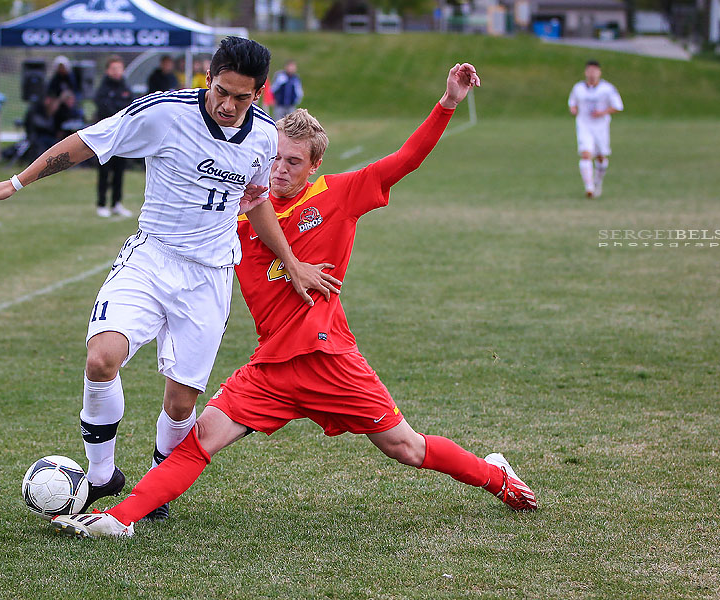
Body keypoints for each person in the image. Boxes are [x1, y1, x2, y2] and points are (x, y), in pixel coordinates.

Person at [50, 62, 539, 540]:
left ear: (315, 165)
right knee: (200, 440)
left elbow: (406, 159)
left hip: (330, 359)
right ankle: (120, 519)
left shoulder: (340, 195)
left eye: (294, 162)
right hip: (272, 368)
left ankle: (495, 475)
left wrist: (448, 103)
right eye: (275, 158)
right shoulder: (236, 214)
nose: (280, 170)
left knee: (406, 448)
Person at [0, 37, 337, 516]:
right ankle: (102, 476)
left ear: (259, 93)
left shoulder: (265, 136)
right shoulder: (165, 112)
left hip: (208, 277)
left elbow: (257, 198)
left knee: (182, 403)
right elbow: (87, 142)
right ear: (209, 75)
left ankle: (160, 485)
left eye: (240, 97)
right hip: (152, 258)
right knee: (102, 358)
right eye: (220, 90)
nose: (226, 104)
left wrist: (290, 261)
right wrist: (17, 182)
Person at [568, 60, 623, 198]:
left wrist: (602, 112)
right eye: (589, 70)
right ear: (586, 72)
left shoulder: (608, 89)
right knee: (586, 154)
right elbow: (572, 102)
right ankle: (589, 187)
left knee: (600, 157)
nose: (592, 73)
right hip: (584, 125)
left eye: (594, 70)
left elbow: (618, 106)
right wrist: (573, 109)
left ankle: (598, 182)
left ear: (599, 72)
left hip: (600, 127)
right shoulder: (578, 88)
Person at [92, 56, 135, 218]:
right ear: (107, 70)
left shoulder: (125, 87)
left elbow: (131, 107)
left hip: (123, 137)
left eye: (119, 68)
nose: (117, 72)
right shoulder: (103, 89)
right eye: (114, 68)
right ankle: (101, 204)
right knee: (104, 171)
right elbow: (106, 110)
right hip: (106, 137)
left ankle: (116, 203)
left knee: (119, 171)